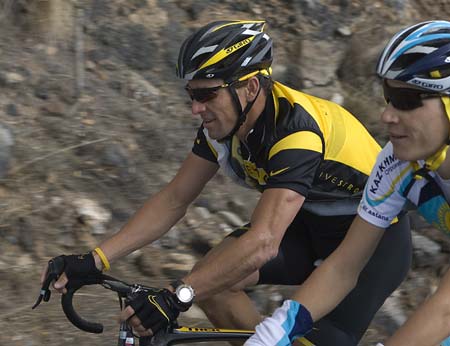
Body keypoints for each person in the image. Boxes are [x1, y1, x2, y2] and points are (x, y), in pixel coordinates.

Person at [40, 20, 411, 345]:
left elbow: (264, 241)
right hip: (307, 227)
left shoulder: (297, 132)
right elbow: (174, 199)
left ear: (250, 87)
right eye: (191, 94)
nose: (195, 108)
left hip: (371, 242)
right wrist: (94, 259)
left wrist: (176, 297)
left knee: (197, 287)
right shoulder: (225, 127)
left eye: (206, 94)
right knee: (212, 286)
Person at [245, 20, 450, 346]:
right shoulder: (396, 162)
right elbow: (344, 266)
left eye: (407, 100)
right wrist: (277, 328)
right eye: (388, 96)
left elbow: (445, 310)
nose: (388, 115)